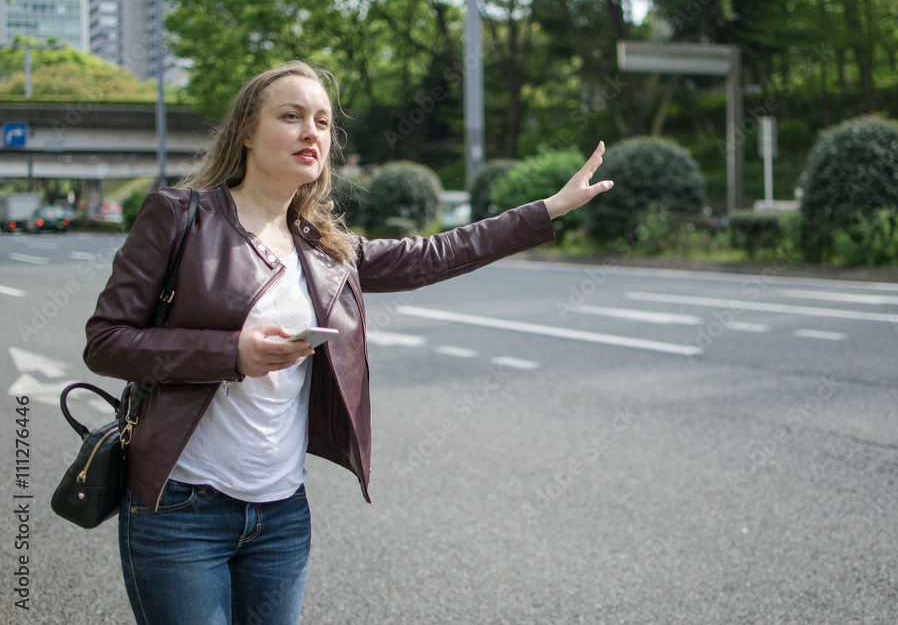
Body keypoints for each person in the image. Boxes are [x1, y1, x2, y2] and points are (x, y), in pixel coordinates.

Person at [83, 59, 613, 625]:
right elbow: (107, 342)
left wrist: (546, 210)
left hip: (281, 514)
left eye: (322, 121)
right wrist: (230, 353)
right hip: (180, 506)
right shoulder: (179, 216)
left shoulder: (325, 249)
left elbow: (434, 254)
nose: (311, 132)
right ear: (245, 132)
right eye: (290, 116)